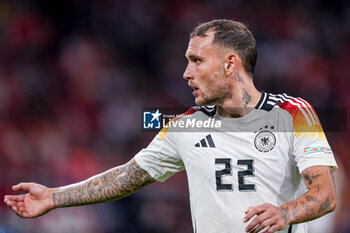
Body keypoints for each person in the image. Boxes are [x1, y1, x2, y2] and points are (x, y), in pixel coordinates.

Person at [4, 19, 337, 233]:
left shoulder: (293, 113)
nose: (186, 73)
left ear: (230, 63)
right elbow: (126, 176)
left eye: (196, 61)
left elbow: (324, 194)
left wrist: (285, 213)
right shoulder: (184, 126)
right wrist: (54, 196)